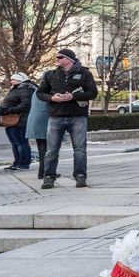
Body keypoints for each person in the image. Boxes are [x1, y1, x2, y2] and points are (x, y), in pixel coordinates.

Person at [37, 48, 98, 189]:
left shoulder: (85, 73)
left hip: (77, 116)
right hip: (56, 116)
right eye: (57, 57)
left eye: (60, 57)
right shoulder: (50, 75)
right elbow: (40, 93)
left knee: (80, 149)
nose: (57, 59)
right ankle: (49, 177)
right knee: (51, 149)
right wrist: (52, 98)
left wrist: (74, 96)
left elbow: (93, 92)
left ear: (69, 59)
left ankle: (80, 176)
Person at [1, 73, 36, 171]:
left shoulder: (25, 89)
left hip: (20, 120)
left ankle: (23, 164)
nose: (11, 81)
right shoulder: (16, 89)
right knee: (15, 143)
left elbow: (25, 105)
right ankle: (17, 163)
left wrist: (8, 110)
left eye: (13, 79)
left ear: (20, 80)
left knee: (21, 142)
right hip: (11, 120)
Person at [27, 80, 51, 181]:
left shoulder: (36, 92)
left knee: (42, 149)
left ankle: (42, 172)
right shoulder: (48, 92)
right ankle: (45, 172)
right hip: (45, 123)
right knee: (47, 150)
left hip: (35, 122)